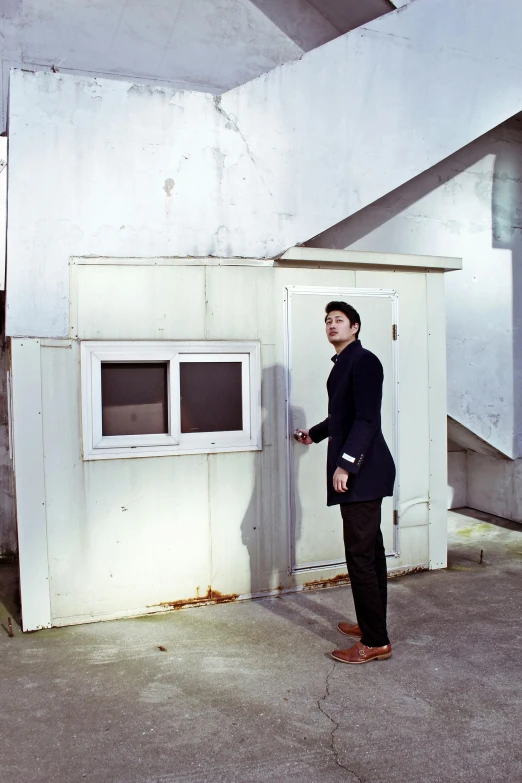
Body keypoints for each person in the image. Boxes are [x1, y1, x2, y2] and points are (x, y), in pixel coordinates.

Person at [294, 301, 396, 664]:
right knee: (369, 553)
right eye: (327, 321)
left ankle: (375, 641)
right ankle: (373, 625)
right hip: (363, 474)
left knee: (360, 556)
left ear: (355, 327)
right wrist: (315, 434)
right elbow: (343, 415)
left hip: (364, 475)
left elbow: (367, 419)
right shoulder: (344, 364)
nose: (331, 325)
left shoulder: (364, 361)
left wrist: (346, 465)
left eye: (338, 320)